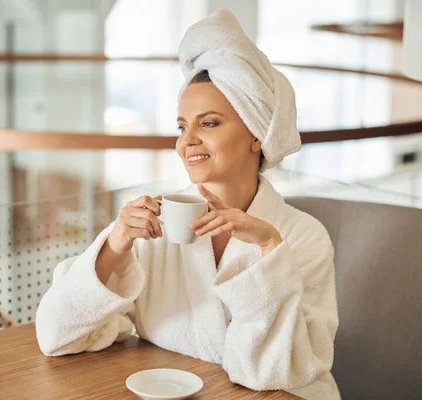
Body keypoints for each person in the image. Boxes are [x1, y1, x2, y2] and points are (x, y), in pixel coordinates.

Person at [35, 9, 340, 400]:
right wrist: (114, 246)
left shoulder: (301, 238)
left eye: (209, 123)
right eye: (182, 126)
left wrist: (268, 251)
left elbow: (274, 373)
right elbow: (56, 336)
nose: (186, 141)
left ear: (257, 136)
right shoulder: (157, 225)